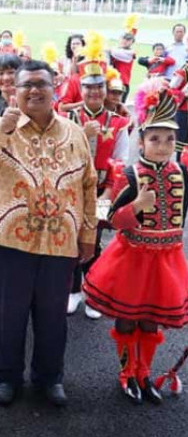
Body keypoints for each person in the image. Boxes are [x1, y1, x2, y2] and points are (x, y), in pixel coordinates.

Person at [0, 60, 97, 407]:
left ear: (54, 86)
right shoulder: (1, 126)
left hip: (60, 240)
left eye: (40, 84)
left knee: (53, 316)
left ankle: (49, 376)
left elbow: (89, 183)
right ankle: (5, 375)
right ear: (13, 90)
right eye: (25, 84)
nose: (33, 90)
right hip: (8, 239)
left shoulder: (73, 132)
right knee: (5, 313)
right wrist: (5, 126)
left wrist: (88, 233)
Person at [83, 80, 188, 405]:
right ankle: (127, 373)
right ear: (141, 140)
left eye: (169, 139)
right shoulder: (129, 173)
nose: (162, 145)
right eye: (154, 138)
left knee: (151, 319)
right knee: (128, 318)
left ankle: (144, 372)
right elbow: (110, 217)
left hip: (166, 259)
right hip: (132, 258)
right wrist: (136, 206)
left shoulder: (180, 173)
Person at [65, 59, 130, 319]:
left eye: (99, 87)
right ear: (80, 89)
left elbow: (122, 163)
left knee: (95, 243)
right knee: (70, 241)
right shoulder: (68, 119)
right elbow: (57, 154)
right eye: (88, 87)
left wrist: (108, 194)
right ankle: (72, 291)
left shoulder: (118, 123)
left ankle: (94, 293)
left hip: (103, 190)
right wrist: (82, 133)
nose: (94, 92)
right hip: (70, 190)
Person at [109, 33, 136, 102]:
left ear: (132, 42)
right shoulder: (117, 50)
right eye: (123, 39)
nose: (125, 41)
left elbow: (115, 52)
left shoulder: (130, 53)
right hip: (111, 82)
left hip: (122, 84)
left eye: (128, 40)